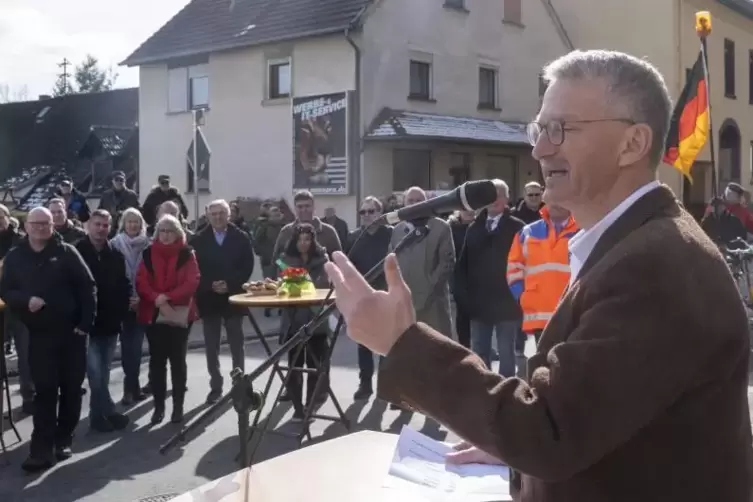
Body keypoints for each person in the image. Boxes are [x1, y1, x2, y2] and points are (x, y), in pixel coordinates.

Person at [323, 50, 753, 501]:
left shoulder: (656, 266)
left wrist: (401, 341)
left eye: (560, 129)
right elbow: (597, 422)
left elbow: (549, 429)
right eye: (539, 129)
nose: (540, 148)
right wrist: (517, 459)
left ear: (633, 144)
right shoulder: (637, 244)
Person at [0, 207, 96, 472]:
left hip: (72, 334)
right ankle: (39, 451)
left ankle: (63, 438)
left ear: (53, 226)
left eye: (46, 224)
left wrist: (85, 325)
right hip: (39, 336)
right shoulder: (15, 257)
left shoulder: (66, 253)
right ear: (27, 226)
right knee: (45, 392)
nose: (41, 228)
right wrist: (24, 300)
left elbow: (88, 288)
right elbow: (6, 290)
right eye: (36, 223)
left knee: (71, 390)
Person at [454, 180, 523, 376]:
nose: (495, 199)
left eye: (500, 194)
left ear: (507, 199)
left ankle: (508, 395)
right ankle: (484, 395)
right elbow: (463, 265)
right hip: (479, 304)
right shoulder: (474, 228)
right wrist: (464, 297)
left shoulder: (518, 228)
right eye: (492, 195)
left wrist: (520, 296)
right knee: (480, 352)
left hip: (507, 303)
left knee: (506, 353)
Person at [136, 214, 200, 425]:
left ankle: (178, 408)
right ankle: (159, 408)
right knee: (157, 363)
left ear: (178, 232)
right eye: (161, 230)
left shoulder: (187, 254)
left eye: (169, 230)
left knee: (178, 362)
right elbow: (141, 281)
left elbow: (192, 281)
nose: (165, 235)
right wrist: (156, 299)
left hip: (179, 314)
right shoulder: (148, 253)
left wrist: (168, 297)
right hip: (154, 314)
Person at [192, 199, 255, 405]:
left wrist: (230, 283)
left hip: (234, 297)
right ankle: (216, 386)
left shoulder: (241, 237)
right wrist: (209, 284)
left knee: (237, 344)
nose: (217, 217)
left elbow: (247, 266)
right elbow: (194, 269)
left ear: (229, 215)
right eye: (213, 213)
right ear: (208, 215)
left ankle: (239, 387)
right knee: (212, 346)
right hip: (208, 299)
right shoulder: (199, 239)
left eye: (221, 213)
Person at [76, 210, 131, 432]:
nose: (101, 229)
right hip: (86, 325)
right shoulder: (76, 252)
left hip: (110, 323)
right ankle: (107, 411)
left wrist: (125, 305)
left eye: (105, 225)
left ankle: (97, 417)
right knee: (95, 374)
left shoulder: (115, 254)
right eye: (97, 224)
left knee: (104, 373)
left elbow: (124, 283)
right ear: (89, 225)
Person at [278, 223, 331, 421]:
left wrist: (303, 282)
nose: (304, 243)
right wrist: (296, 284)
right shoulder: (285, 259)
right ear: (295, 240)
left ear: (313, 240)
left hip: (317, 319)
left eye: (308, 239)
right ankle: (298, 407)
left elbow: (323, 286)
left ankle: (311, 405)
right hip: (294, 320)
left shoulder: (323, 259)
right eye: (300, 239)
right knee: (295, 366)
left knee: (316, 366)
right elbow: (282, 286)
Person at [346, 196, 393, 400]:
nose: (366, 215)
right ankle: (365, 384)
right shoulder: (354, 236)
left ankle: (386, 386)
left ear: (379, 213)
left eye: (371, 211)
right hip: (363, 298)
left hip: (386, 296)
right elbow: (348, 267)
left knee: (387, 344)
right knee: (364, 343)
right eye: (362, 212)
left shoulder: (390, 235)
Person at [110, 207, 151, 405]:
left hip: (144, 301)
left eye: (136, 221)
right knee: (128, 348)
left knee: (136, 346)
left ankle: (132, 386)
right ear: (123, 224)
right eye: (129, 221)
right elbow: (112, 277)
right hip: (123, 303)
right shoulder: (114, 245)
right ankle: (130, 387)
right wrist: (127, 297)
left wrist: (142, 297)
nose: (133, 225)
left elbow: (153, 275)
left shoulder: (149, 245)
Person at [273, 190, 341, 260]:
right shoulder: (286, 232)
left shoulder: (328, 232)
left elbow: (339, 260)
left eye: (307, 206)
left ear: (314, 207)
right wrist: (289, 270)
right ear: (295, 208)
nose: (304, 210)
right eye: (300, 207)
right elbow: (276, 260)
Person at [448, 209, 474, 349]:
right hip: (459, 276)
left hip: (478, 275)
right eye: (465, 209)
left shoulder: (481, 224)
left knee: (479, 315)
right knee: (463, 314)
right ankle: (465, 346)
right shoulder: (452, 227)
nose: (470, 212)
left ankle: (479, 346)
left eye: (472, 209)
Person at [98, 171, 140, 236]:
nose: (119, 182)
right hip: (110, 228)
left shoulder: (132, 195)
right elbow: (100, 211)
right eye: (116, 180)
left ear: (125, 181)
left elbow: (137, 212)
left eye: (121, 180)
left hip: (127, 228)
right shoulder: (106, 195)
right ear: (112, 181)